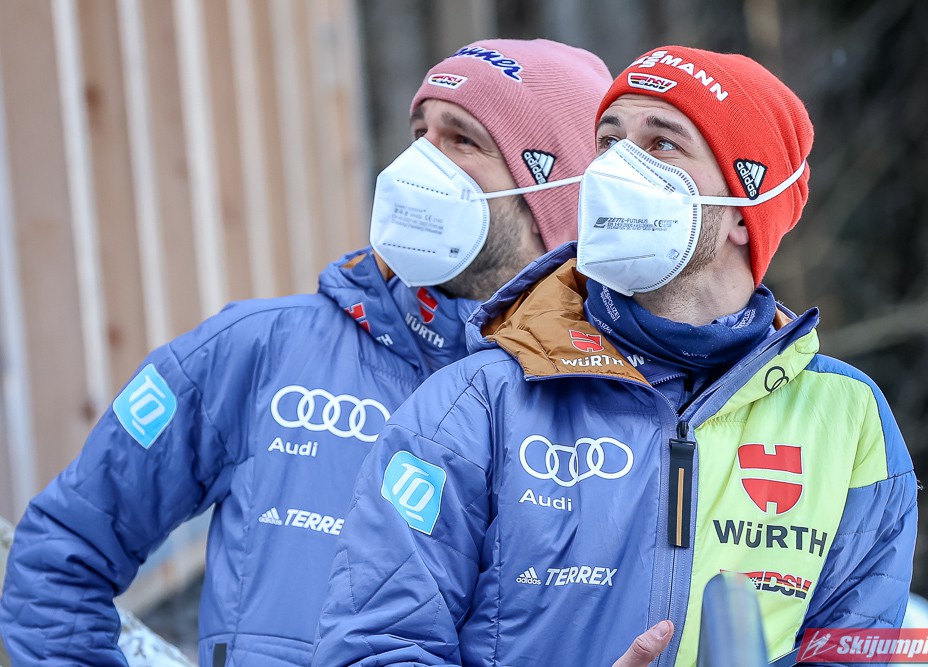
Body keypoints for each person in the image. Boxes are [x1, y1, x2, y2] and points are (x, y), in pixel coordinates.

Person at [0, 39, 612, 666]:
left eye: (461, 140)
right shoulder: (262, 352)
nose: (420, 163)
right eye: (419, 133)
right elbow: (60, 558)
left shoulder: (617, 408)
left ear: (551, 196)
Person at [311, 45, 918, 666]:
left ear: (744, 210)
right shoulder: (479, 401)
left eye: (662, 144)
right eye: (608, 142)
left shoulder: (847, 419)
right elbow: (374, 648)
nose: (616, 169)